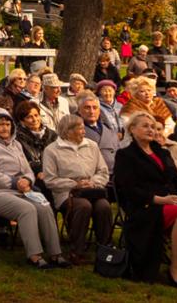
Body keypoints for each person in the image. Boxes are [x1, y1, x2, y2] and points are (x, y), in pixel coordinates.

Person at [113, 111, 177, 286]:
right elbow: (129, 189)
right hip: (145, 206)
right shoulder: (126, 155)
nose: (151, 130)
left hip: (171, 203)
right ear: (132, 129)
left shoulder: (163, 153)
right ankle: (176, 266)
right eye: (145, 126)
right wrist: (160, 200)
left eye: (153, 127)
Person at [0, 108, 66, 269]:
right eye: (1, 124)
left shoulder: (16, 144)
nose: (5, 128)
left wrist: (27, 180)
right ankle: (34, 255)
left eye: (8, 124)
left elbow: (27, 169)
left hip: (20, 190)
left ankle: (55, 253)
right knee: (27, 209)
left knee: (44, 206)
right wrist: (14, 182)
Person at [41, 113, 112, 265]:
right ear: (67, 131)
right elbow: (50, 180)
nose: (84, 131)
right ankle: (77, 250)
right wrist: (74, 184)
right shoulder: (52, 150)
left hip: (93, 190)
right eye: (80, 128)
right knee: (83, 206)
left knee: (104, 206)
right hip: (66, 194)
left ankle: (105, 248)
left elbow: (103, 171)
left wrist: (92, 182)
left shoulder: (91, 146)